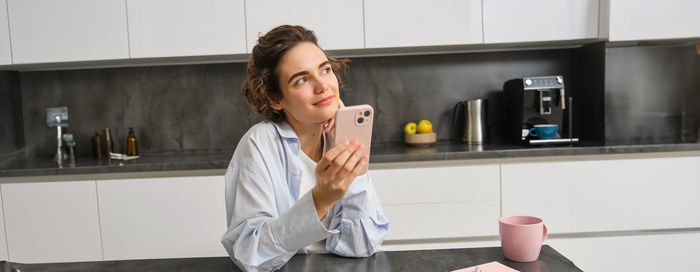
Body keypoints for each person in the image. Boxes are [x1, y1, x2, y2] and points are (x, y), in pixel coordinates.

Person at [221, 25, 389, 272]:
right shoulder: (259, 145)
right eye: (302, 79)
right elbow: (251, 254)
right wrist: (320, 200)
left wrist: (354, 178)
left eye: (325, 70)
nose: (323, 86)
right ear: (275, 99)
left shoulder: (342, 139)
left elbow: (362, 246)